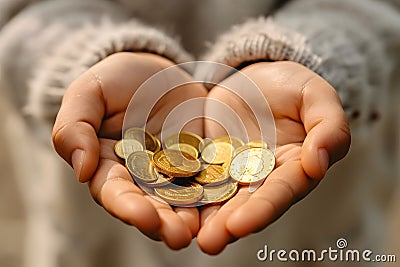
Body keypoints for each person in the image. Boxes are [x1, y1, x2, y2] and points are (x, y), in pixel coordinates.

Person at [0, 0, 398, 266]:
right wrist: (85, 60)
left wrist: (311, 58)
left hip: (314, 228)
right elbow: (22, 12)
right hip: (94, 237)